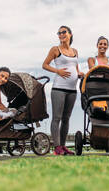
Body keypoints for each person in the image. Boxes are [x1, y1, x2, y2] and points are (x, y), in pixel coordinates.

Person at [42, 25, 84, 155]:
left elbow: (75, 68)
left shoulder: (75, 51)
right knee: (57, 118)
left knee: (66, 119)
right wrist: (58, 71)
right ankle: (57, 147)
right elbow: (45, 65)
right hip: (59, 88)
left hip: (72, 89)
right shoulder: (55, 49)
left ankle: (64, 146)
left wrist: (78, 74)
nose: (61, 34)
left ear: (70, 34)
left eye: (63, 32)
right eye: (59, 33)